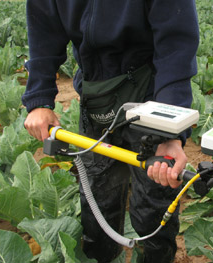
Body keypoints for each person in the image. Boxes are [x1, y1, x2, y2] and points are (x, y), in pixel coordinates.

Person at [22, 1, 199, 262]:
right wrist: (39, 99)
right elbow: (44, 29)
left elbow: (175, 46)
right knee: (97, 200)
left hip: (150, 99)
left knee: (152, 206)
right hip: (96, 96)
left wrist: (167, 133)